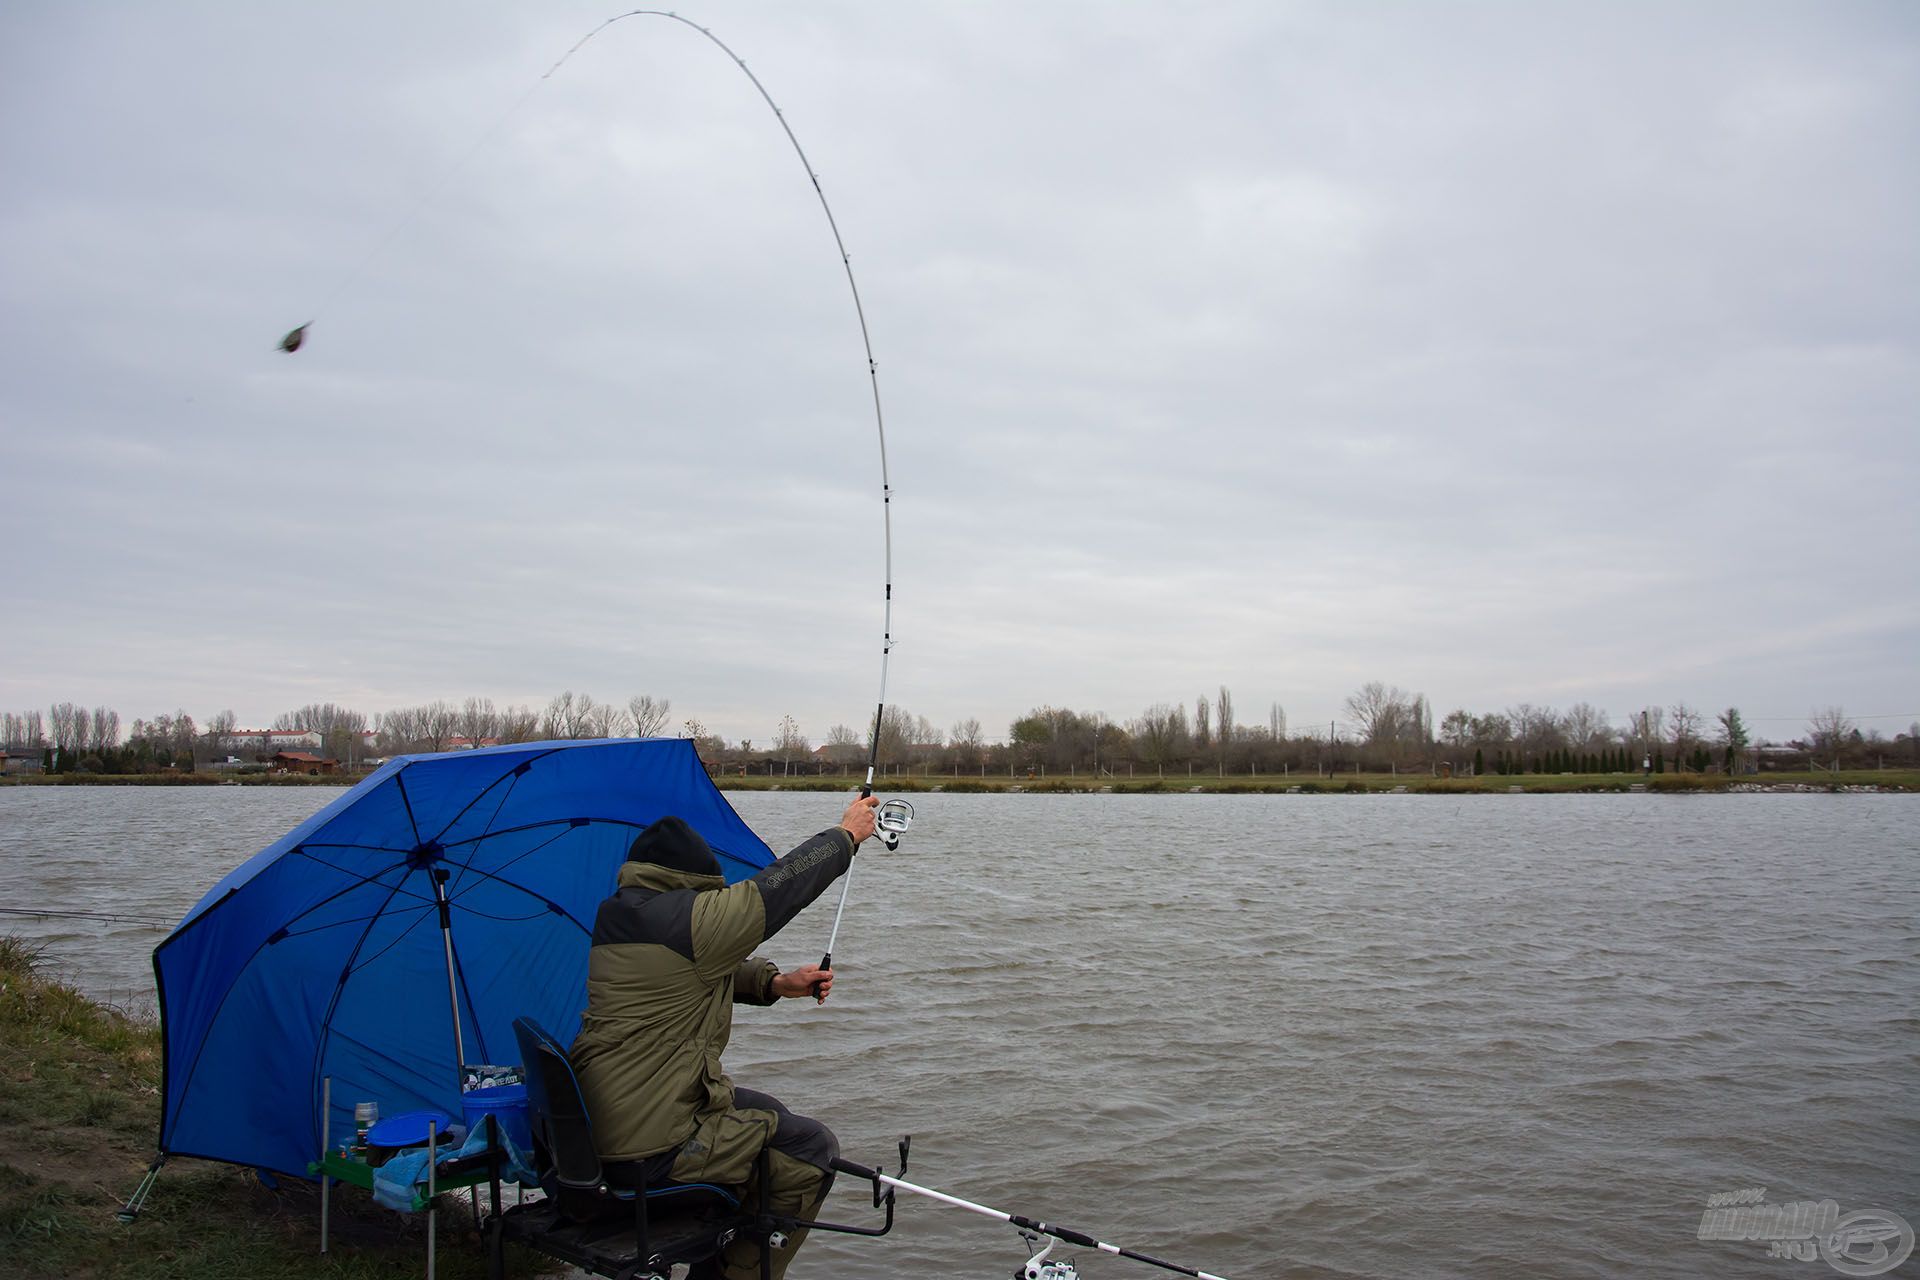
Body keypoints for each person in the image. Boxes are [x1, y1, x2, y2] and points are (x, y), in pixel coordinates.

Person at [570, 794, 878, 1280]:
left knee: (771, 1113)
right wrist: (845, 837)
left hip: (608, 1125)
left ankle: (720, 1246)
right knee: (812, 1147)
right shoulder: (689, 918)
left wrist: (775, 984)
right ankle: (732, 1272)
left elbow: (687, 972)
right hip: (651, 1148)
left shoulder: (622, 917)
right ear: (692, 882)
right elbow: (775, 889)